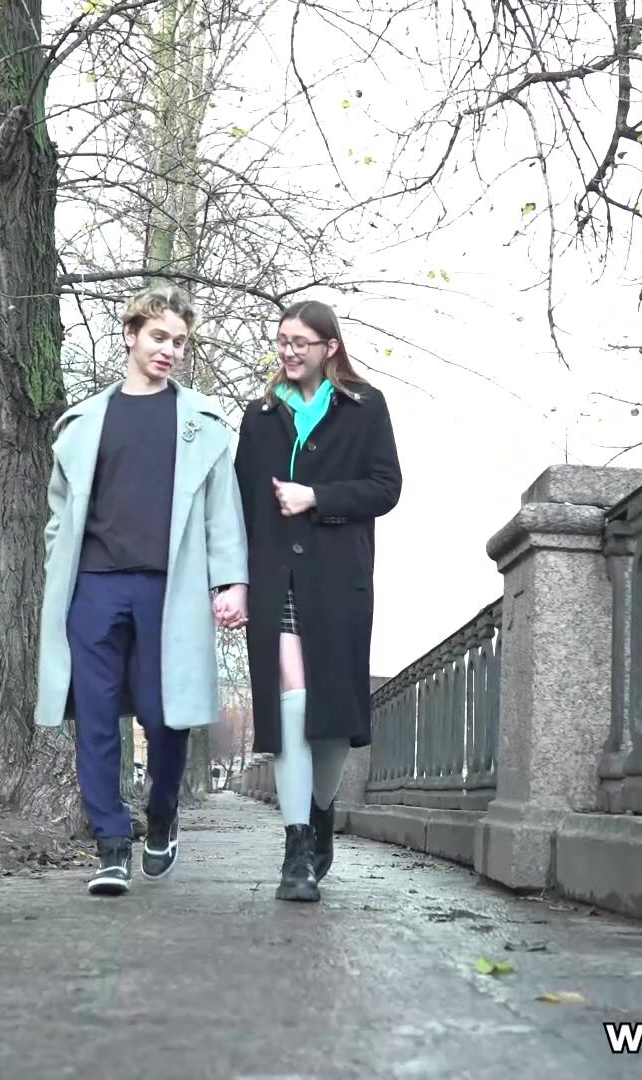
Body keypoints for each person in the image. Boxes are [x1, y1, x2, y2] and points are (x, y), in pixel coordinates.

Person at [35, 285, 249, 897]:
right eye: (159, 337)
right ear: (130, 335)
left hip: (169, 589)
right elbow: (58, 515)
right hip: (94, 587)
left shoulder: (203, 424)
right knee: (96, 717)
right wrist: (59, 565)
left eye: (179, 342)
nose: (169, 350)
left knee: (165, 716)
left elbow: (223, 514)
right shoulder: (83, 424)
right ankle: (110, 845)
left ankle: (161, 814)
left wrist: (232, 582)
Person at [234, 300, 402, 902]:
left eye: (301, 342)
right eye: (282, 340)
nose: (289, 351)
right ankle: (297, 846)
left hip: (338, 580)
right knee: (293, 702)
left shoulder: (365, 406)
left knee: (331, 724)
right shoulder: (260, 416)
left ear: (330, 346)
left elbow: (386, 488)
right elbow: (239, 506)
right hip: (275, 577)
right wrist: (232, 581)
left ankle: (322, 808)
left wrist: (317, 497)